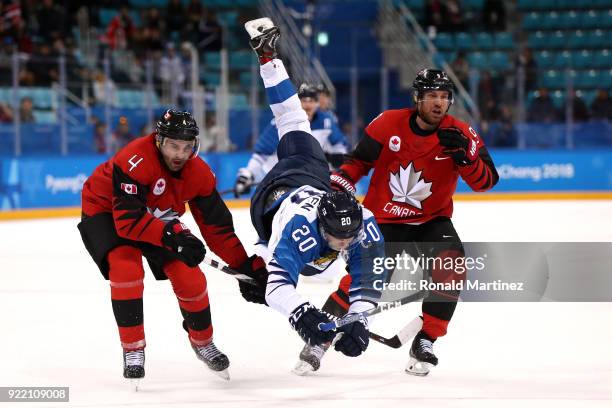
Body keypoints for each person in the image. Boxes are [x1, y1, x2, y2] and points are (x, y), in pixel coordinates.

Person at [327, 68, 499, 375]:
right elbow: (358, 162)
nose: (439, 103)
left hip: (432, 221)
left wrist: (467, 159)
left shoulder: (461, 133)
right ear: (417, 98)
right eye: (432, 96)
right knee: (360, 280)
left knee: (452, 268)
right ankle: (320, 334)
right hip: (384, 220)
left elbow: (486, 182)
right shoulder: (387, 123)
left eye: (445, 97)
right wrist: (338, 187)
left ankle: (426, 339)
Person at [77, 109, 268, 383]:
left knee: (189, 274)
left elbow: (217, 230)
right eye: (173, 146)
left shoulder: (199, 173)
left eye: (187, 147)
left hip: (154, 213)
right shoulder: (133, 159)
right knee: (125, 268)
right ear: (159, 141)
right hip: (107, 210)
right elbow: (128, 223)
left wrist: (244, 266)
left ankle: (203, 342)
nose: (180, 154)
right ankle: (133, 349)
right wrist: (172, 237)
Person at [243, 18, 386, 375]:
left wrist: (359, 316)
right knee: (263, 275)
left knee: (295, 121)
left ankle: (267, 55)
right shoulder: (300, 229)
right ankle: (269, 57)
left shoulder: (363, 226)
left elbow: (368, 277)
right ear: (320, 225)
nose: (343, 242)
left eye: (347, 237)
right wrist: (300, 313)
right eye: (336, 237)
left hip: (313, 173)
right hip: (274, 201)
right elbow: (277, 286)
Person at [234, 83, 349, 197]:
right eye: (304, 101)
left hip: (307, 178)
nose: (308, 105)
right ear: (297, 103)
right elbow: (261, 155)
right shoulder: (283, 121)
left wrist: (337, 158)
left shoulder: (325, 121)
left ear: (317, 103)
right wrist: (246, 176)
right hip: (278, 178)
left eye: (311, 101)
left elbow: (340, 145)